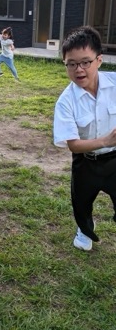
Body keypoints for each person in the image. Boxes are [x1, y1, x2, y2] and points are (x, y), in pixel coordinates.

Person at [53, 25, 116, 251]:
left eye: (85, 62)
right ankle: (85, 230)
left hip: (115, 160)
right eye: (71, 64)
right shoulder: (66, 101)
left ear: (99, 60)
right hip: (86, 161)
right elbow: (73, 144)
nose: (78, 69)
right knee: (81, 203)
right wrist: (105, 141)